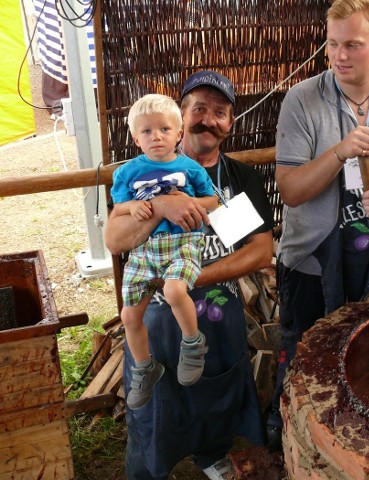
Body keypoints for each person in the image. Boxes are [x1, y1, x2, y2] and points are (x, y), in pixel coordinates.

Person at [267, 0, 369, 451]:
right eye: (332, 44)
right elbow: (292, 190)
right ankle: (290, 439)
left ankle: (351, 447)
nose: (339, 56)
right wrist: (339, 152)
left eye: (352, 45)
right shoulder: (303, 100)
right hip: (309, 261)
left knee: (365, 354)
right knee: (303, 356)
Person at [105, 71, 274, 480]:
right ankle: (148, 469)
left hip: (214, 315)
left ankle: (210, 455)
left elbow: (260, 250)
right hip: (156, 321)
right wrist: (163, 206)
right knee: (153, 407)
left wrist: (189, 277)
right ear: (182, 115)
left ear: (230, 123)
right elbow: (114, 239)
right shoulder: (139, 173)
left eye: (220, 112)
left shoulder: (236, 179)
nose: (208, 120)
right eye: (199, 108)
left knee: (213, 396)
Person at [111, 94, 217, 410]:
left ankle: (193, 343)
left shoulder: (190, 168)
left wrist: (189, 204)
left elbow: (212, 200)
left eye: (164, 129)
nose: (156, 136)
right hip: (145, 248)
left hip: (183, 241)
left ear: (179, 133)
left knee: (174, 291)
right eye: (146, 131)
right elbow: (119, 208)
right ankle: (144, 366)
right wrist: (136, 207)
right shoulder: (127, 173)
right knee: (129, 315)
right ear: (135, 138)